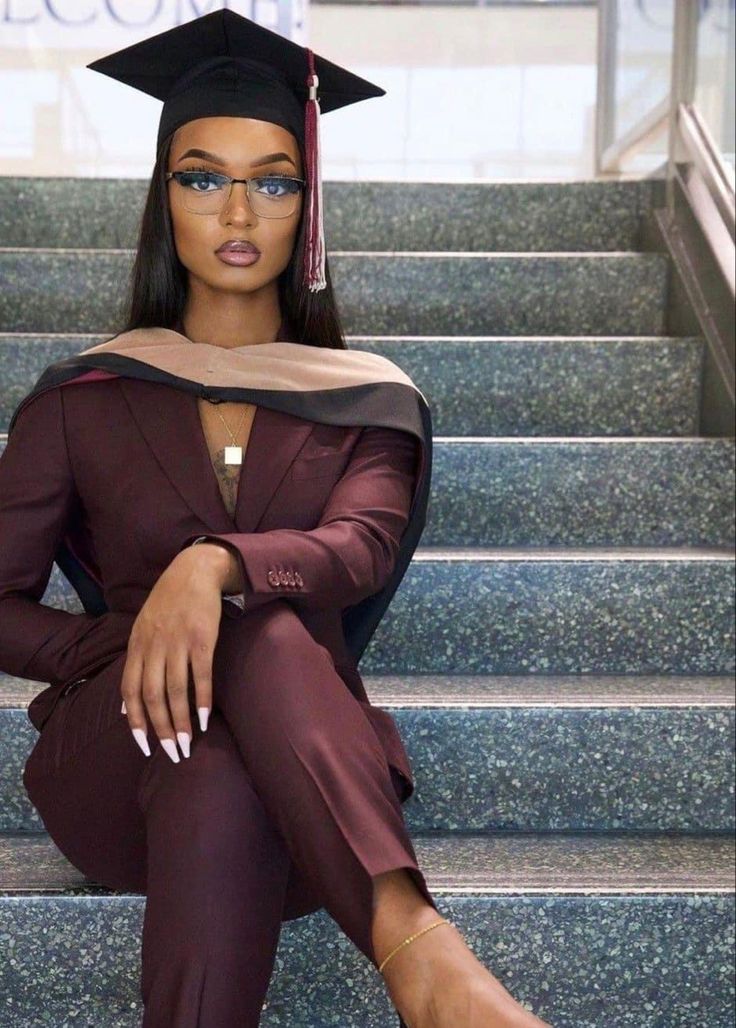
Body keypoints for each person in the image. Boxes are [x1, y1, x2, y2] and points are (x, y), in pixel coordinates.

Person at [0, 10, 552, 1028]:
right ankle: (423, 958)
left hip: (312, 789)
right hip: (121, 756)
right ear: (163, 200)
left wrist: (208, 571)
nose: (238, 207)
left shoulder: (366, 398)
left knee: (248, 665)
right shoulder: (81, 397)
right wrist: (126, 642)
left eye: (275, 178)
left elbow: (359, 547)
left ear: (308, 207)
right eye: (203, 176)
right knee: (231, 669)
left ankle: (419, 961)